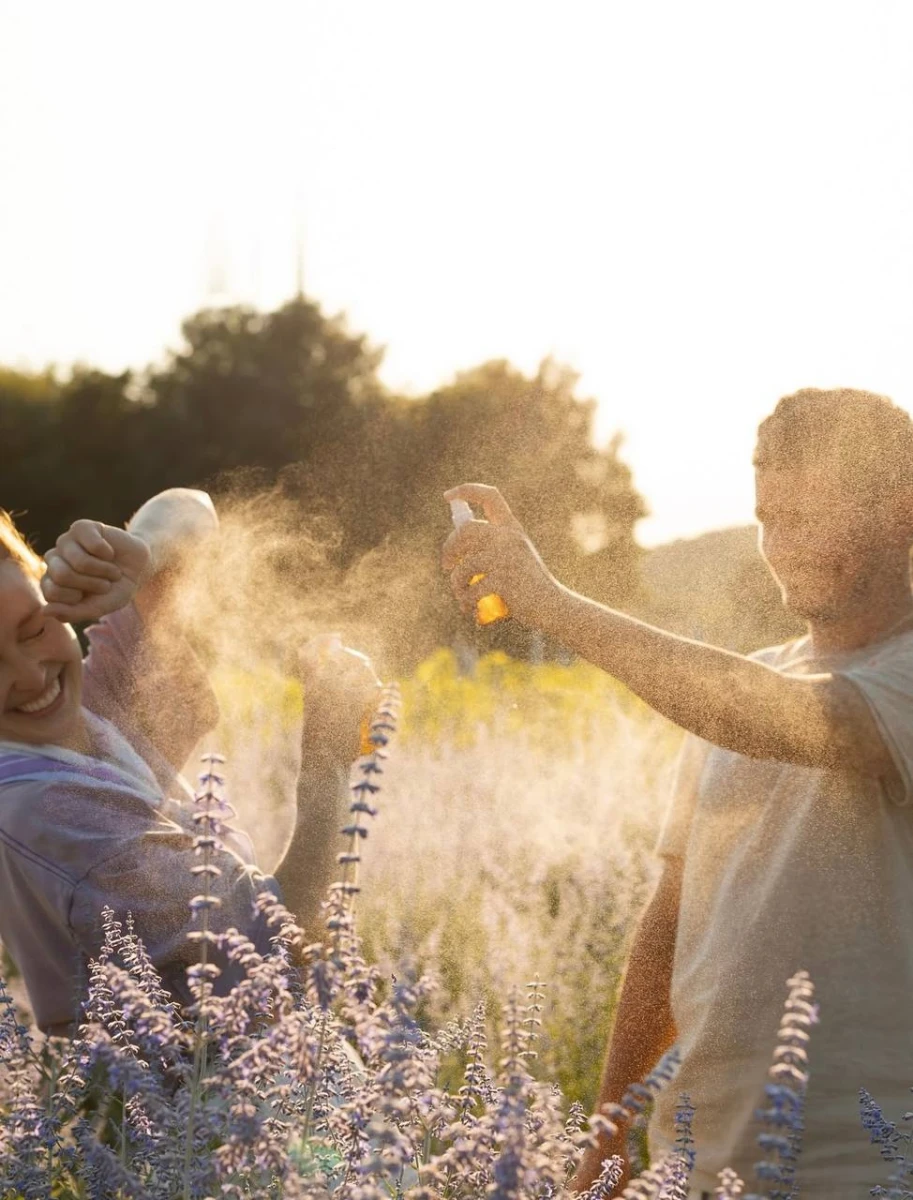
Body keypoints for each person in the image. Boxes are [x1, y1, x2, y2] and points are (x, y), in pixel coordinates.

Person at [442, 388, 913, 1199]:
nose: (781, 543)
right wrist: (610, 1139)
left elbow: (795, 722)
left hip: (866, 1167)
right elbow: (666, 928)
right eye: (769, 515)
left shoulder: (874, 681)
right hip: (697, 1170)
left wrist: (551, 603)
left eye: (809, 514)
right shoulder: (742, 688)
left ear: (900, 512)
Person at [0, 488, 379, 1036]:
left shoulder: (85, 716)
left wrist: (135, 557)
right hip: (233, 1110)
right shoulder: (45, 811)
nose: (32, 676)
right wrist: (328, 758)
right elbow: (285, 939)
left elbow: (189, 511)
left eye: (33, 629)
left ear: (51, 592)